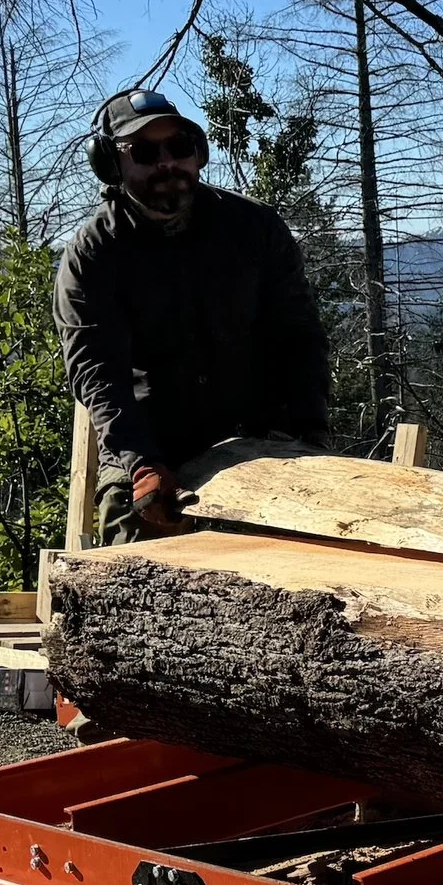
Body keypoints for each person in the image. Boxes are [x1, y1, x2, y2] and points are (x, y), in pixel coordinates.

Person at [55, 88, 330, 544]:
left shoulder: (255, 229)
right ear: (111, 165)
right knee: (129, 575)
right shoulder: (93, 253)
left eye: (178, 147)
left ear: (197, 153)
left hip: (262, 441)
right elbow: (98, 374)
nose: (166, 162)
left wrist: (307, 437)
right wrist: (141, 463)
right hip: (152, 451)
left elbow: (299, 339)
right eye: (143, 151)